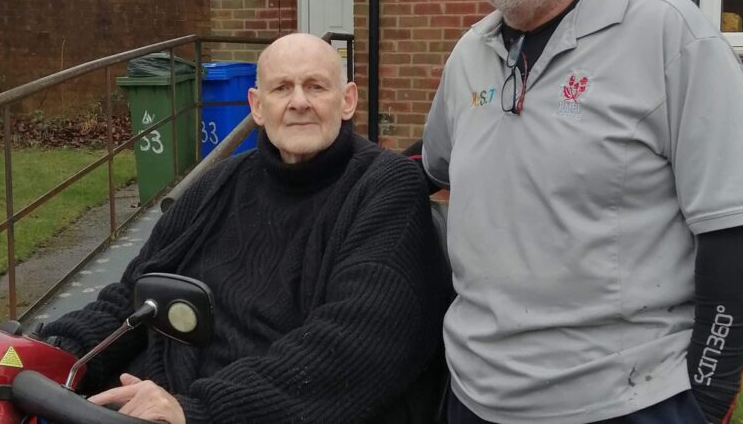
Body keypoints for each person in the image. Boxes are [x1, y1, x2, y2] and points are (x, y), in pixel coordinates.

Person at [415, 0, 743, 423]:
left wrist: (708, 403)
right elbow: (426, 169)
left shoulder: (670, 34)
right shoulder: (471, 54)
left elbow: (736, 232)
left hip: (624, 402)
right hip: (473, 396)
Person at [41, 33, 451, 424]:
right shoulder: (220, 183)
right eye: (281, 88)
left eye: (316, 87)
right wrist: (57, 351)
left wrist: (196, 410)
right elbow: (135, 296)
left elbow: (356, 347)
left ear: (347, 101)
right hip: (156, 394)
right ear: (256, 106)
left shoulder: (383, 187)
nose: (299, 102)